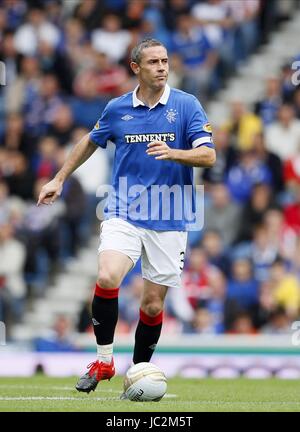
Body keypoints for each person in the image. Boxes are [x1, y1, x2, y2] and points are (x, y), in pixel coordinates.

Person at [37, 38, 216, 394]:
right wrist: (59, 177)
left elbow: (208, 156)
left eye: (165, 61)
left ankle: (137, 374)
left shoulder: (186, 105)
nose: (162, 67)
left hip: (171, 215)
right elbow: (91, 140)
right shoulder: (118, 108)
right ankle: (104, 361)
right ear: (136, 67)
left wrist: (175, 153)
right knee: (107, 276)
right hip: (124, 210)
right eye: (153, 62)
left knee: (152, 303)